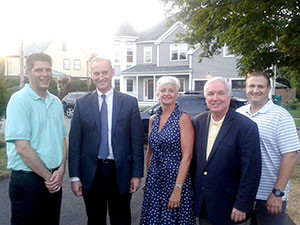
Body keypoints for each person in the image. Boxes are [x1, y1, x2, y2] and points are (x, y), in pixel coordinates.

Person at [68, 56, 144, 225]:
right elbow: (75, 143)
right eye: (96, 73)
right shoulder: (81, 104)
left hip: (121, 171)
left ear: (112, 72)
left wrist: (136, 174)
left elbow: (137, 141)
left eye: (104, 72)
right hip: (92, 172)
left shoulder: (129, 103)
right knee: (95, 219)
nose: (101, 77)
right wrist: (74, 177)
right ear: (91, 75)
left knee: (121, 218)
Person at [5, 53, 67, 225]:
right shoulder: (19, 101)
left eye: (48, 69)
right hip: (28, 182)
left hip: (54, 178)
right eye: (39, 70)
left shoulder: (55, 102)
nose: (45, 74)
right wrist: (48, 177)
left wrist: (61, 168)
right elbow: (22, 148)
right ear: (27, 73)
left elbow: (62, 138)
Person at [191, 77, 261, 225]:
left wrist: (242, 205)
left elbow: (251, 171)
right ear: (205, 98)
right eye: (210, 94)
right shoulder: (197, 122)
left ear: (229, 97)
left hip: (231, 208)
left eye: (220, 93)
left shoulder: (246, 127)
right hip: (204, 205)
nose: (215, 98)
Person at [236, 71, 300, 225]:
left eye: (260, 86)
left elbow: (290, 156)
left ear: (269, 89)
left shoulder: (281, 116)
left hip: (269, 195)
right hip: (243, 194)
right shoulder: (239, 114)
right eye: (251, 86)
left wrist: (277, 193)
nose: (255, 90)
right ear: (245, 88)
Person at [140, 76, 196, 225]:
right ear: (157, 94)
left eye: (171, 90)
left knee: (171, 219)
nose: (167, 93)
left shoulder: (183, 119)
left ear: (177, 94)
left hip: (174, 179)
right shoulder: (153, 119)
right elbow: (150, 152)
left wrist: (178, 189)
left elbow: (187, 156)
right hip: (154, 180)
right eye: (163, 90)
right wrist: (148, 177)